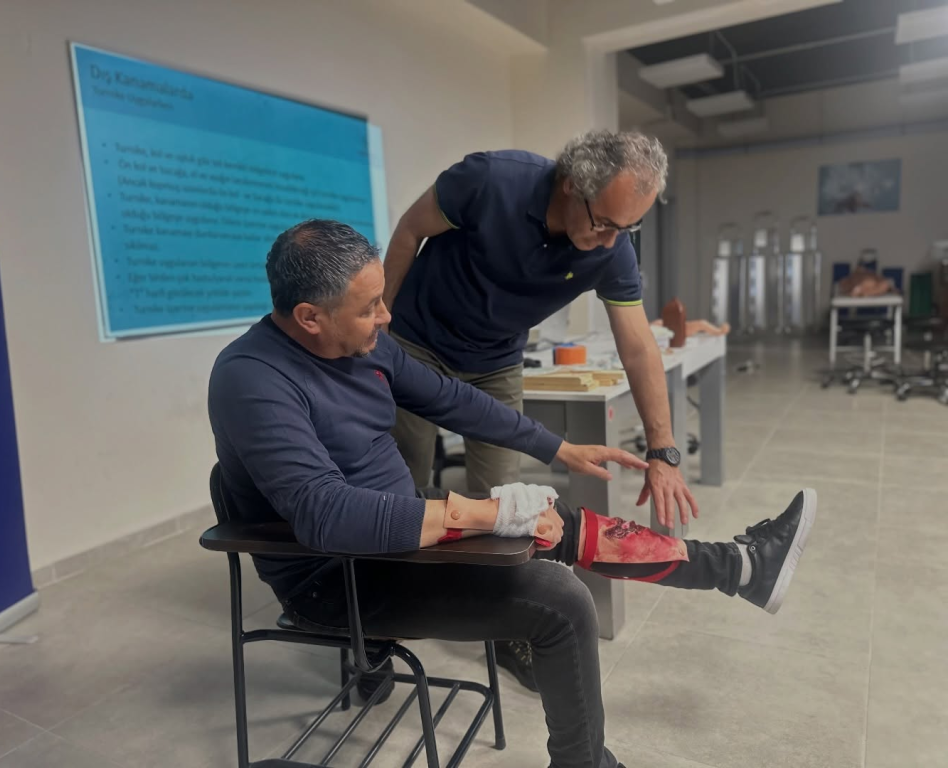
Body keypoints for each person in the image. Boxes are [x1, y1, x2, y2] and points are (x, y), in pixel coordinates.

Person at [208, 220, 817, 768]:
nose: (387, 317)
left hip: (398, 537)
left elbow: (451, 398)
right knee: (561, 601)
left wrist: (557, 448)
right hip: (337, 576)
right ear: (310, 317)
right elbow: (326, 515)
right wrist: (484, 514)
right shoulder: (252, 380)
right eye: (370, 308)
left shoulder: (362, 343)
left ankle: (740, 568)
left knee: (554, 518)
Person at [381, 130, 695, 688]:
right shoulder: (489, 181)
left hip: (495, 362)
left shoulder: (612, 248)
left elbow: (638, 346)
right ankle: (384, 622)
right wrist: (377, 330)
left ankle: (504, 627)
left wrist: (663, 450)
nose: (610, 242)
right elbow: (409, 230)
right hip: (416, 345)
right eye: (604, 223)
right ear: (572, 184)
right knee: (399, 487)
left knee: (507, 502)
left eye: (627, 229)